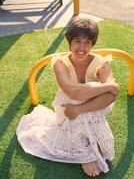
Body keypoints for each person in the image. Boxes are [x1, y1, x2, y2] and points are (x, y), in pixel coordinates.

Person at [16, 16, 120, 177]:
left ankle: (88, 144)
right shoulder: (60, 63)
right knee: (75, 99)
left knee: (87, 106)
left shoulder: (101, 63)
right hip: (67, 106)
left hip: (86, 108)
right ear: (69, 41)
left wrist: (80, 109)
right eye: (78, 40)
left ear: (93, 43)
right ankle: (85, 155)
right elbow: (72, 92)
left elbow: (111, 97)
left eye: (87, 42)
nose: (82, 47)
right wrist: (105, 86)